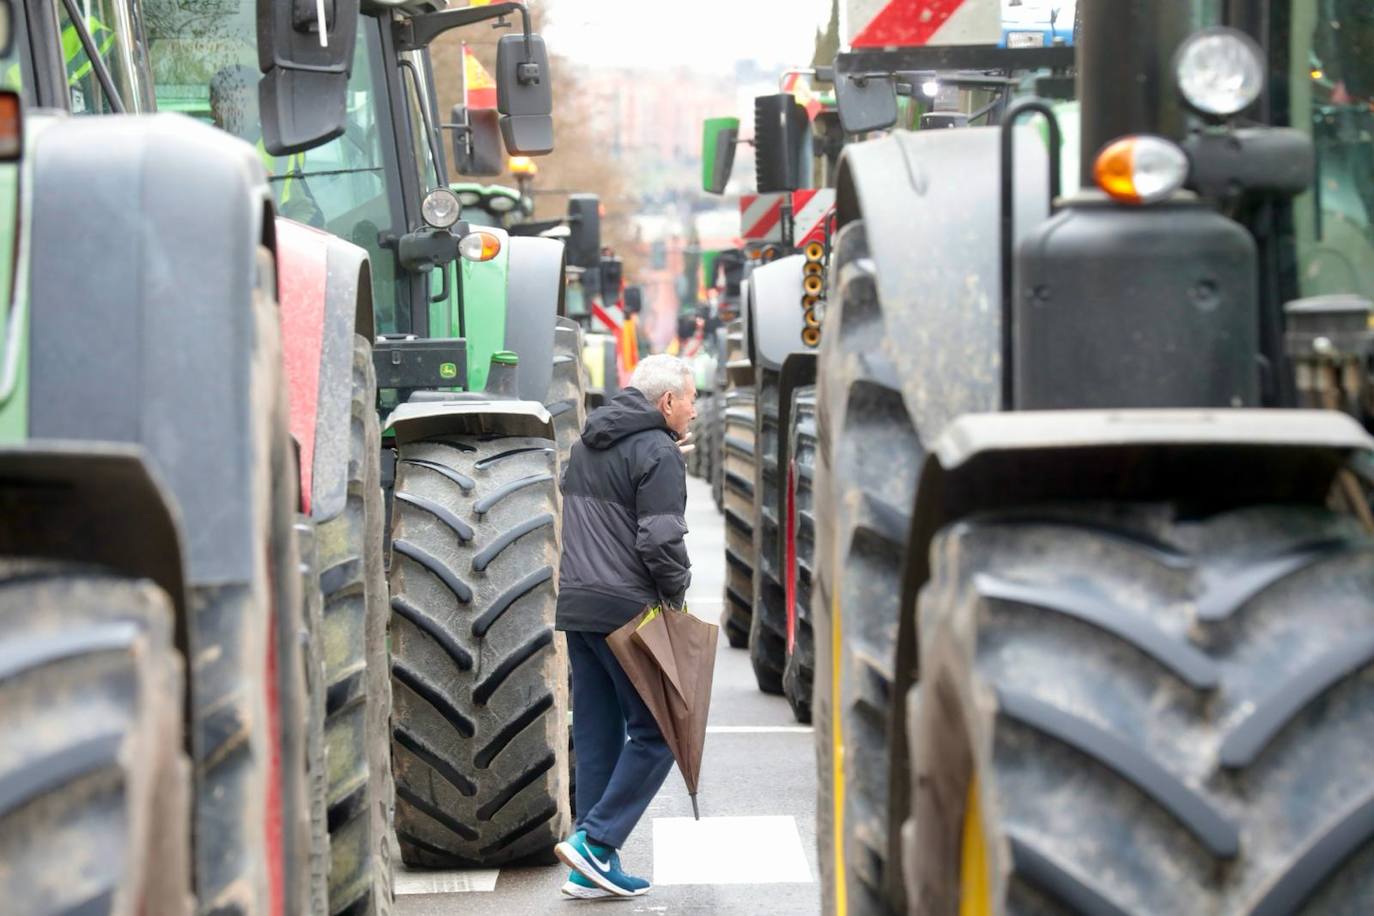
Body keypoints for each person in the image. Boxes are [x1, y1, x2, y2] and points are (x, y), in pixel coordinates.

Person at [553, 354, 697, 899]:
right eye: (689, 398)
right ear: (666, 402)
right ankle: (596, 841)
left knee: (597, 732)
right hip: (628, 610)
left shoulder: (588, 443)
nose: (694, 408)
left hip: (580, 607)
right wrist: (677, 594)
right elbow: (660, 539)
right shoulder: (657, 451)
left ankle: (588, 867)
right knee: (661, 732)